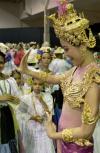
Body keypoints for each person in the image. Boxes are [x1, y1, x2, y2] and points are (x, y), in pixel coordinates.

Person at [19, 2, 100, 153]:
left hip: (77, 147)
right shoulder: (76, 69)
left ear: (81, 45)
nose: (65, 54)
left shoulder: (94, 78)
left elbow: (86, 130)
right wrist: (28, 71)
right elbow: (55, 78)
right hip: (63, 140)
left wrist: (53, 134)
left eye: (67, 49)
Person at [16, 78, 55, 153]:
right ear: (31, 85)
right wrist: (33, 117)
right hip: (31, 130)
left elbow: (50, 113)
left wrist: (42, 101)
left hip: (44, 129)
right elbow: (20, 114)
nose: (37, 86)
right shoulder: (26, 98)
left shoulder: (48, 96)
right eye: (35, 84)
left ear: (43, 86)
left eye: (40, 84)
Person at [0, 50, 20, 153]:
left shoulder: (10, 80)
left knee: (9, 143)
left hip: (8, 116)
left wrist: (15, 100)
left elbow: (18, 100)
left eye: (1, 62)